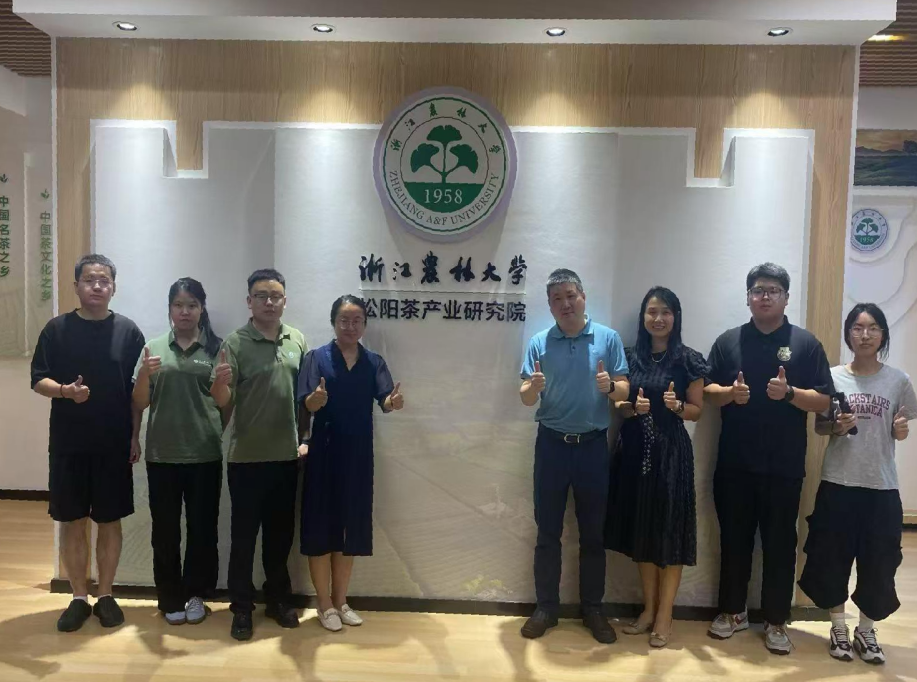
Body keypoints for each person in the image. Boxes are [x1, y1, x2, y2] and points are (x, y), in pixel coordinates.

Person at [704, 262, 834, 655]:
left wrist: (790, 393)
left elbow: (824, 400)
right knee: (734, 540)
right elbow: (706, 390)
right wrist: (730, 394)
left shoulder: (805, 344)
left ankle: (776, 621)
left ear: (786, 298)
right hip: (734, 464)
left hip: (784, 466)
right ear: (748, 297)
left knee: (780, 545)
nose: (765, 296)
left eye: (773, 290)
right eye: (758, 290)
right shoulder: (728, 341)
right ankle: (733, 612)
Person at [30, 254, 145, 632]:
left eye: (104, 280)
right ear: (76, 286)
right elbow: (38, 379)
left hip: (113, 443)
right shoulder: (56, 329)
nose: (97, 286)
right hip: (69, 443)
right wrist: (65, 391)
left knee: (109, 520)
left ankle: (106, 594)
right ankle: (79, 596)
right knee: (72, 519)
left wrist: (134, 435)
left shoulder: (128, 332)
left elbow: (135, 393)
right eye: (90, 280)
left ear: (113, 287)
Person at [799, 303, 916, 665]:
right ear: (848, 334)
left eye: (873, 328)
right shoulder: (833, 378)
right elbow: (821, 426)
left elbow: (901, 427)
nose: (865, 335)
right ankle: (838, 626)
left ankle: (866, 630)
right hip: (838, 482)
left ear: (883, 335)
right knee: (831, 558)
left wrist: (901, 430)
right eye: (858, 328)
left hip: (881, 486)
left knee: (879, 562)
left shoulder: (898, 381)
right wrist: (836, 426)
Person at [518, 268, 630, 643]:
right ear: (550, 306)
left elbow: (624, 389)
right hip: (551, 446)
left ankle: (593, 609)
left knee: (593, 534)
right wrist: (532, 387)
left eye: (570, 296)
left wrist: (610, 386)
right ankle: (546, 608)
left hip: (593, 447)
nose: (565, 304)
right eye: (557, 299)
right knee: (547, 531)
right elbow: (525, 397)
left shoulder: (607, 338)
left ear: (583, 297)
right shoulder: (539, 342)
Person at [605, 286, 708, 648]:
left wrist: (676, 406)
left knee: (669, 532)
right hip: (635, 451)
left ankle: (665, 614)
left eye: (665, 312)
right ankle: (648, 610)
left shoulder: (689, 360)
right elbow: (619, 406)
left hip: (671, 454)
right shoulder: (629, 357)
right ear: (643, 317)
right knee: (642, 531)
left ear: (675, 317)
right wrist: (632, 409)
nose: (658, 318)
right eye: (652, 312)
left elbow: (697, 411)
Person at [210, 268, 308, 641]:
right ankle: (241, 608)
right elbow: (224, 400)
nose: (269, 302)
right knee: (244, 538)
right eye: (261, 296)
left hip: (286, 457)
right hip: (246, 459)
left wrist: (305, 438)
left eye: (275, 296)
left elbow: (305, 398)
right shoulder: (234, 343)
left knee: (280, 538)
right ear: (248, 301)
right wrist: (220, 386)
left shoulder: (296, 339)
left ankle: (278, 599)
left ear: (285, 300)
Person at [297, 295, 404, 631]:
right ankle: (323, 604)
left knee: (349, 527)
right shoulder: (316, 358)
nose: (350, 326)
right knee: (320, 527)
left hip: (358, 455)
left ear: (365, 325)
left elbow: (384, 400)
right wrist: (314, 400)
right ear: (334, 322)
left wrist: (392, 401)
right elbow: (305, 404)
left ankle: (341, 601)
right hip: (323, 454)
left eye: (357, 320)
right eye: (344, 320)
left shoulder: (373, 361)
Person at [132, 278, 225, 626]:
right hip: (162, 455)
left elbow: (225, 403)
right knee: (165, 532)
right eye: (178, 305)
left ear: (202, 309)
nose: (185, 312)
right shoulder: (153, 348)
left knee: (203, 530)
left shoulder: (216, 348)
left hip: (205, 454)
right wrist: (144, 374)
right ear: (170, 309)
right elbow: (140, 402)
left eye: (192, 305)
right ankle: (170, 597)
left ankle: (196, 595)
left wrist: (221, 392)